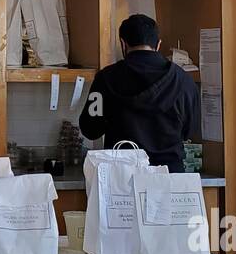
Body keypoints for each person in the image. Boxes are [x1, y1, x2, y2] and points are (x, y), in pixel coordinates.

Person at [78, 13, 199, 172]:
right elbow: (190, 130)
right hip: (169, 175)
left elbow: (90, 129)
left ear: (123, 43)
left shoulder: (105, 79)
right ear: (158, 44)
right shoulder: (183, 80)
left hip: (122, 178)